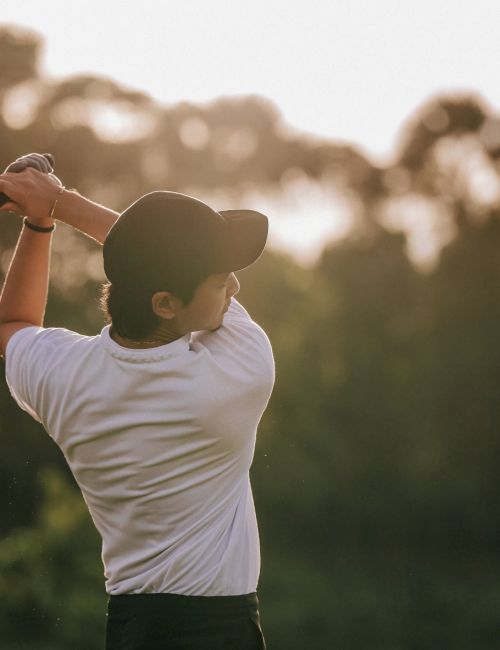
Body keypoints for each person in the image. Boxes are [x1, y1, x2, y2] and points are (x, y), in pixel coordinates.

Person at [0, 154, 275, 650]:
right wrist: (58, 204)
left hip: (129, 629)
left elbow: (11, 324)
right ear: (165, 304)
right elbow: (131, 246)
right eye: (219, 280)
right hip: (221, 632)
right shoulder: (240, 369)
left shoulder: (64, 376)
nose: (233, 286)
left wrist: (38, 221)